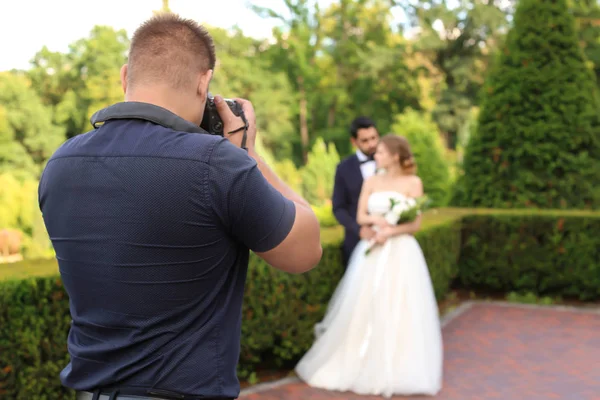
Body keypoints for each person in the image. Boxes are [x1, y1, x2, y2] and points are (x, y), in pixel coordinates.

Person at [38, 13, 322, 400]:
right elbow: (305, 251)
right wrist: (249, 152)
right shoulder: (215, 164)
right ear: (204, 82)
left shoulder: (60, 163)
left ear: (125, 76)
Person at [295, 135, 443, 398]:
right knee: (364, 303)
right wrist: (377, 221)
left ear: (396, 155)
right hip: (372, 248)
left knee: (400, 305)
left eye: (382, 152)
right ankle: (358, 359)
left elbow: (415, 224)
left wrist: (392, 230)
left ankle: (399, 366)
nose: (377, 155)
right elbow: (360, 215)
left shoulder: (413, 183)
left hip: (401, 252)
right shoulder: (372, 181)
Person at [331, 116, 380, 268]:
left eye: (374, 138)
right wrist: (359, 230)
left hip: (388, 238)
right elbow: (338, 208)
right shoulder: (343, 168)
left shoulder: (388, 161)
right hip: (356, 241)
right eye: (365, 140)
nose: (371, 144)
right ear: (354, 142)